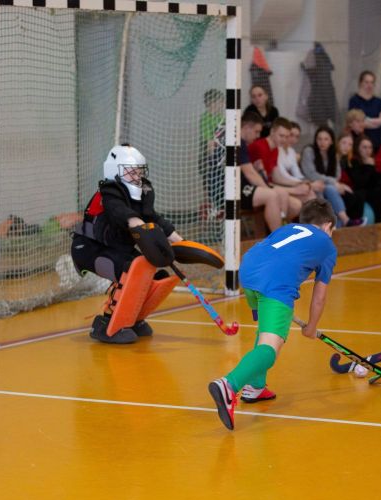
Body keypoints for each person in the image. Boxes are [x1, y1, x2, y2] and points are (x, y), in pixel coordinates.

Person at [208, 199, 338, 430]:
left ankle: (255, 386)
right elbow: (320, 296)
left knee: (264, 333)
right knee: (271, 348)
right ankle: (229, 385)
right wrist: (311, 327)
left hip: (248, 271)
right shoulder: (327, 245)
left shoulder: (289, 228)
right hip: (276, 283)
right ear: (328, 225)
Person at [72, 144, 184, 344]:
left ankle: (133, 318)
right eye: (131, 172)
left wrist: (180, 241)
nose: (137, 177)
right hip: (89, 249)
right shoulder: (110, 191)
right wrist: (150, 235)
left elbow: (152, 218)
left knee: (153, 274)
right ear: (114, 170)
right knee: (132, 270)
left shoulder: (143, 192)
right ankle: (107, 323)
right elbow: (123, 214)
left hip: (116, 249)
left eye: (139, 172)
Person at [239, 112, 296, 231]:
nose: (258, 135)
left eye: (287, 136)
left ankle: (281, 229)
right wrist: (268, 188)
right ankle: (278, 237)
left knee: (288, 199)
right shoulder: (251, 145)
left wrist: (298, 183)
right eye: (256, 131)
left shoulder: (244, 144)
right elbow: (250, 174)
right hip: (236, 189)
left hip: (248, 184)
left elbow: (257, 173)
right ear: (247, 127)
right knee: (272, 195)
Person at [301, 126, 364, 227]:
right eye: (319, 139)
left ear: (331, 141)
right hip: (312, 185)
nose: (322, 142)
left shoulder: (333, 154)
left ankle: (343, 224)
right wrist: (333, 182)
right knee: (331, 188)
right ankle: (346, 220)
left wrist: (334, 183)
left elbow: (337, 175)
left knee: (351, 195)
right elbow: (311, 174)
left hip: (327, 187)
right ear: (315, 140)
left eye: (326, 139)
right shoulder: (309, 151)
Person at [248, 117, 315, 206]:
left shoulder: (275, 149)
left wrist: (299, 183)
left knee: (310, 194)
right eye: (281, 136)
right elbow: (262, 182)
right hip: (257, 188)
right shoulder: (259, 147)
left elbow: (277, 176)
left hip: (270, 186)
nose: (284, 140)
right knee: (296, 204)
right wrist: (294, 190)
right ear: (272, 132)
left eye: (286, 137)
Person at [342, 135, 381, 223]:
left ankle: (378, 221)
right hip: (355, 190)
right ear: (358, 148)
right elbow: (359, 182)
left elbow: (376, 180)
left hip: (370, 192)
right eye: (364, 147)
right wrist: (368, 166)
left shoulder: (371, 160)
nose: (368, 150)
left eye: (370, 147)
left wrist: (371, 166)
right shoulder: (353, 161)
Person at [348, 70, 381, 152]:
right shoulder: (354, 101)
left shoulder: (378, 101)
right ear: (360, 83)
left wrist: (368, 120)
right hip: (359, 143)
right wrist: (378, 122)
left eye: (372, 82)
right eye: (366, 82)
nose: (369, 85)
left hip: (376, 143)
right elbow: (357, 124)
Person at [199, 89, 226, 212]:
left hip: (220, 157)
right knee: (209, 184)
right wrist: (212, 160)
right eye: (221, 101)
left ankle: (220, 208)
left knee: (220, 184)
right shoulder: (206, 118)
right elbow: (209, 142)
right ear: (211, 103)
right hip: (209, 158)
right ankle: (210, 210)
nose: (223, 104)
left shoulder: (221, 118)